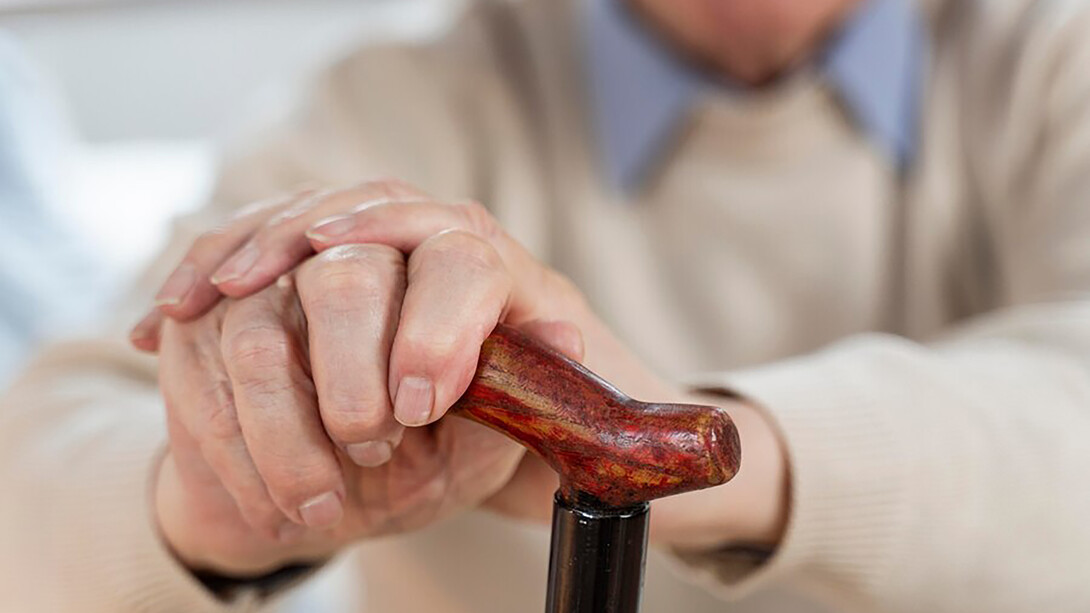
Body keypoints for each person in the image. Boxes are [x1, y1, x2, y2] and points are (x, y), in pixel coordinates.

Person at [3, 0, 1090, 610]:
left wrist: (662, 434)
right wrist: (214, 492)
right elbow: (32, 491)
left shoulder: (1055, 67)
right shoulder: (380, 110)